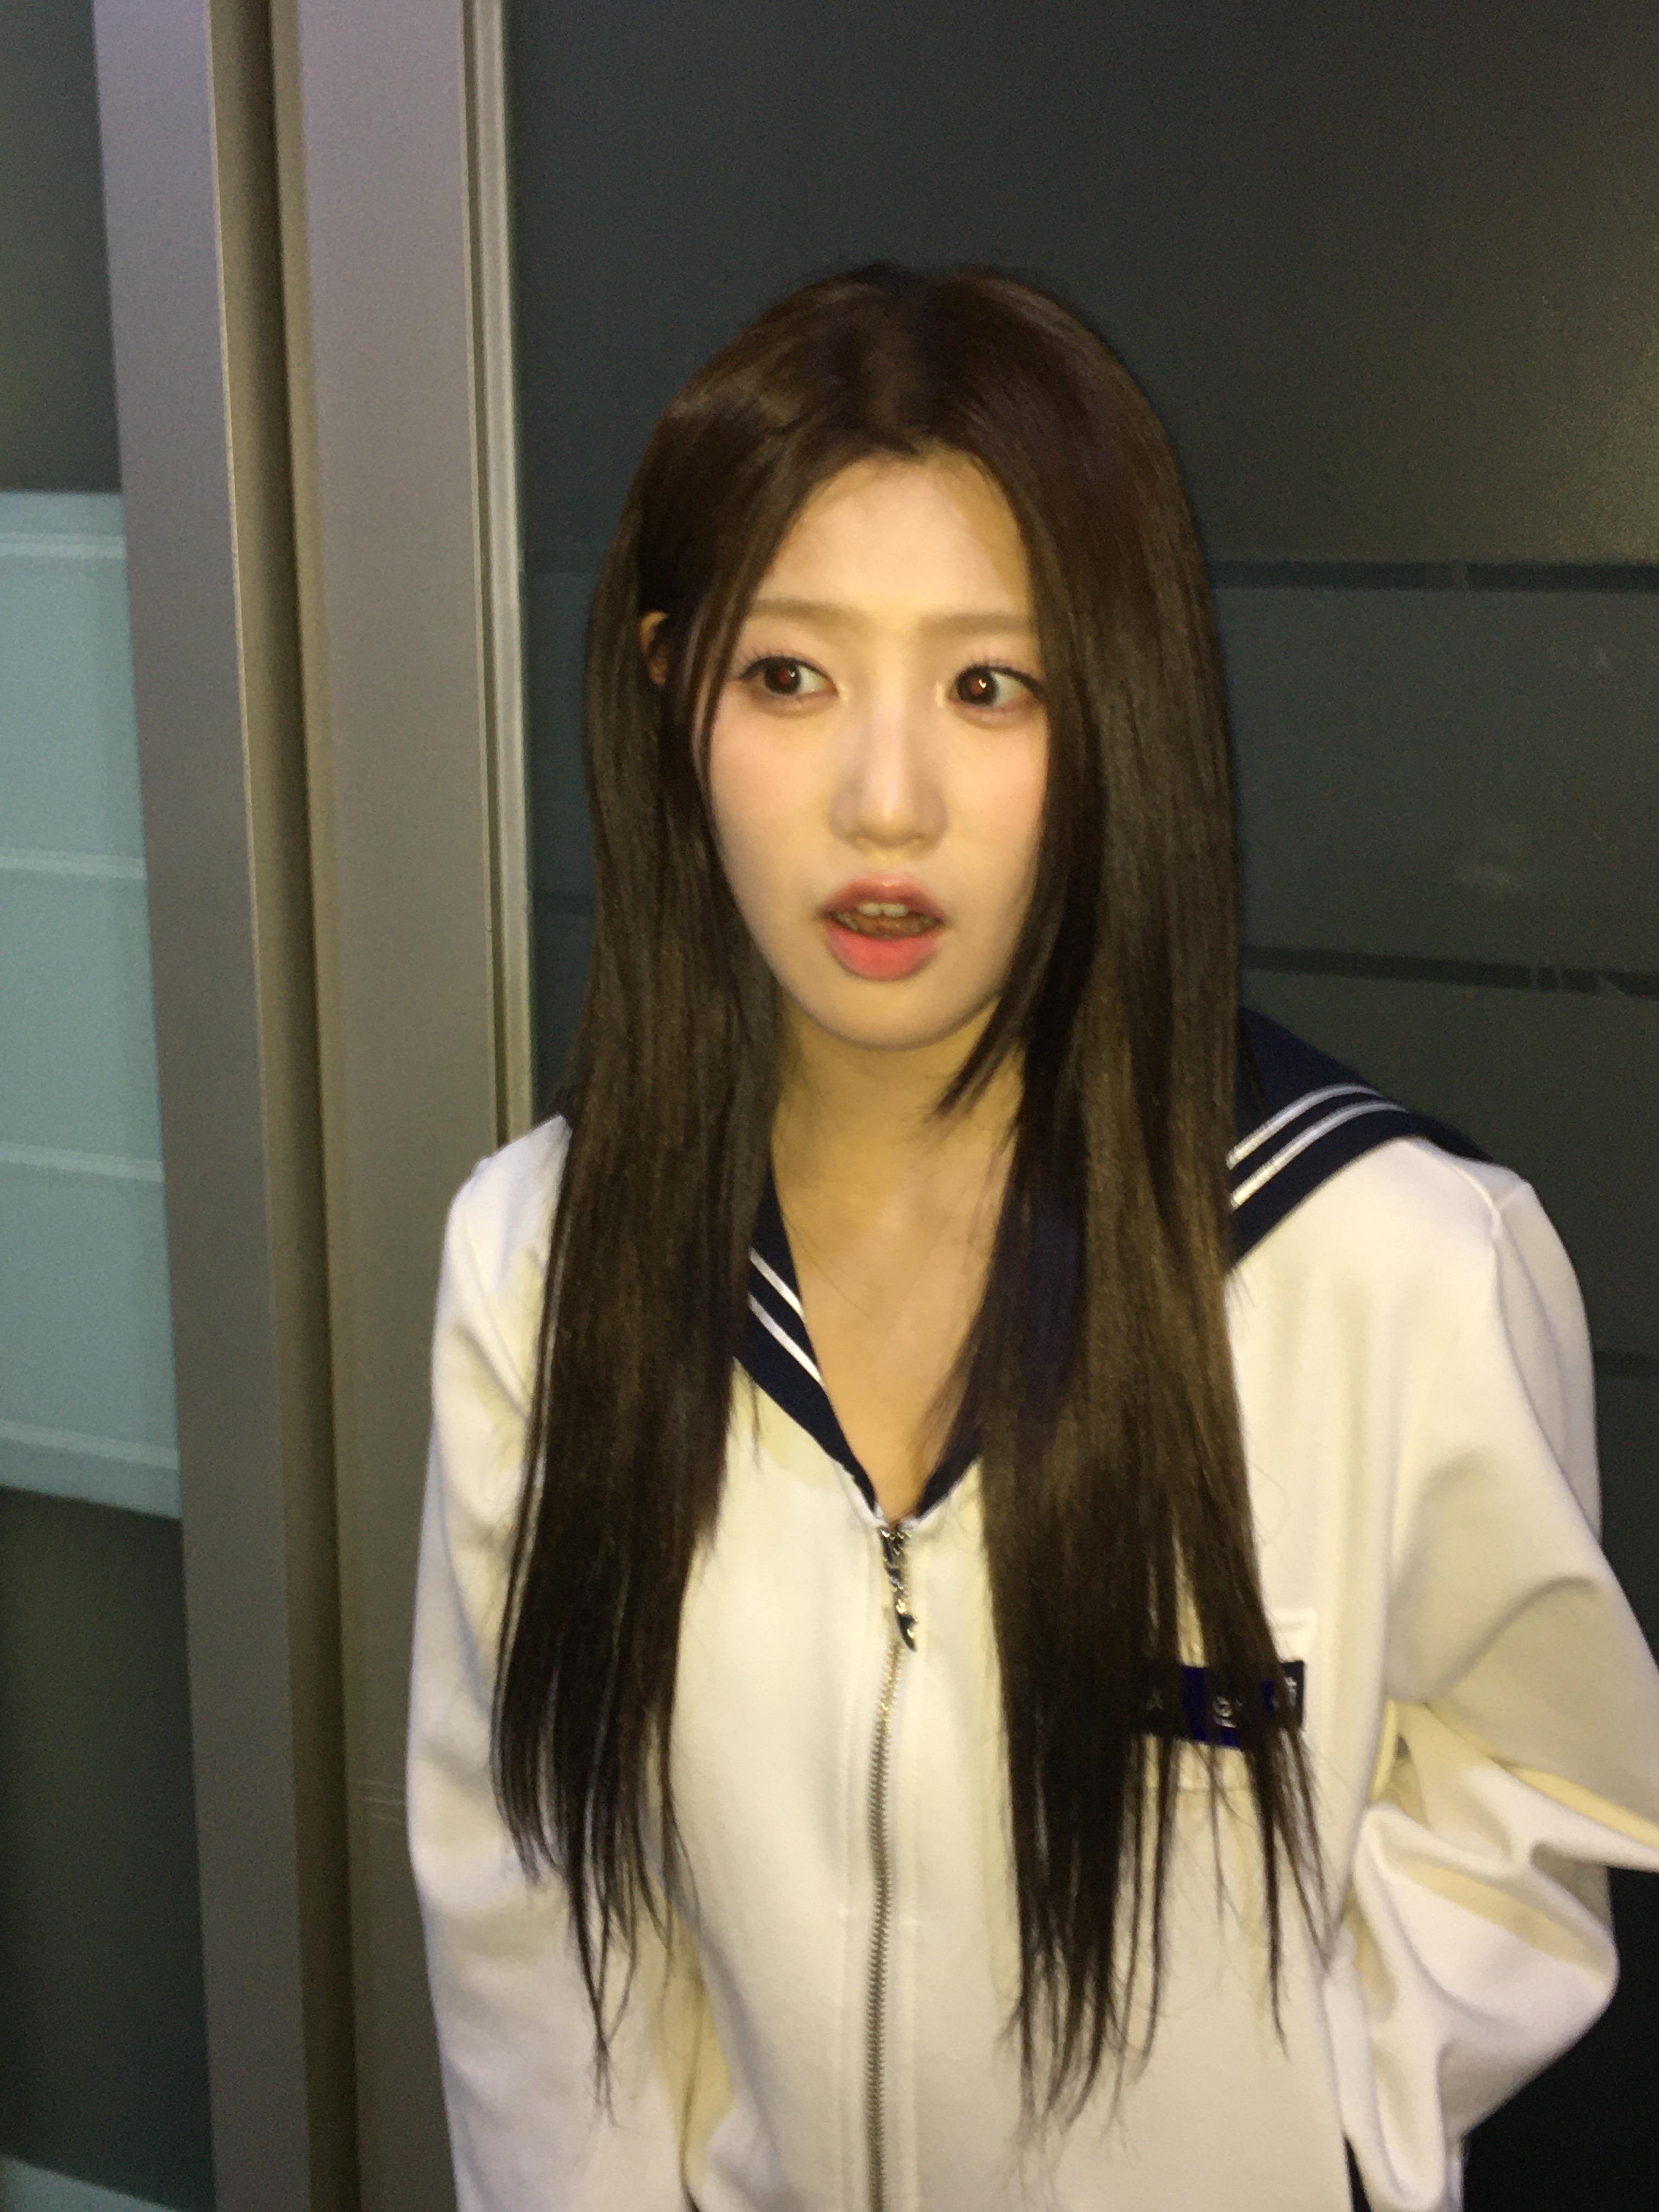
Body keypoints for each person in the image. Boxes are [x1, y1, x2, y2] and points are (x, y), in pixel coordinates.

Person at [406, 264, 1659, 2212]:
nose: (883, 803)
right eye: (789, 676)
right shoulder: (538, 1263)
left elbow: (1542, 1788)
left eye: (989, 686)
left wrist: (1323, 2142)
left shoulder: (1393, 1264)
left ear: (1118, 711)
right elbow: (530, 1900)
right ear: (670, 692)